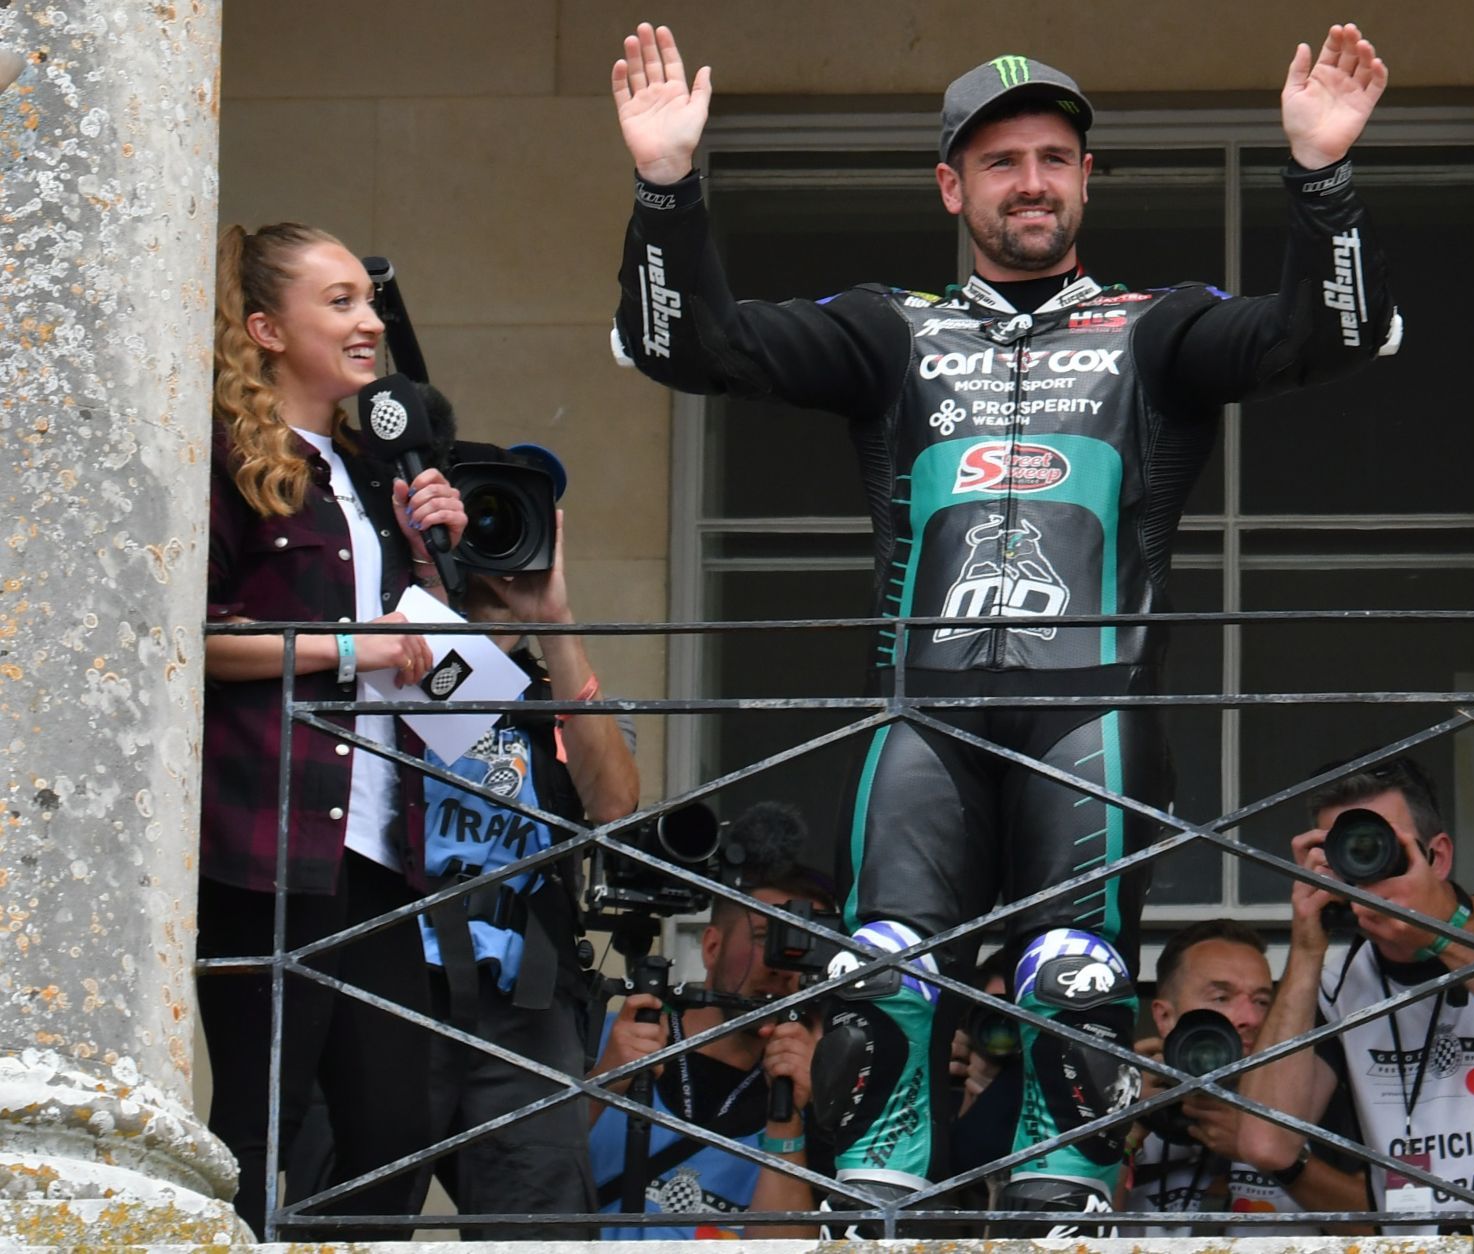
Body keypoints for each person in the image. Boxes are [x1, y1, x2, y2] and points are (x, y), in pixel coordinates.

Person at [607, 21, 1400, 1226]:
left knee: (1076, 984)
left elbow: (1328, 334)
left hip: (1096, 717)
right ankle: (876, 1208)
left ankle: (1064, 1205)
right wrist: (667, 187)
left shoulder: (1159, 324)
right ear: (951, 184)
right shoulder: (890, 329)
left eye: (1053, 159)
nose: (1030, 181)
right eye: (1000, 161)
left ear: (1086, 180)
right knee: (877, 974)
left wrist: (1322, 175)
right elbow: (687, 343)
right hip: (923, 716)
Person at [199, 221, 467, 1237]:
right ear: (266, 329)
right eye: (341, 302)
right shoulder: (226, 459)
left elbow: (422, 646)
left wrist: (433, 563)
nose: (369, 324)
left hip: (379, 844)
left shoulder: (367, 467)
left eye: (369, 301)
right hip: (265, 842)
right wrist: (351, 645)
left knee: (399, 1124)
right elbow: (190, 640)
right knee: (261, 1119)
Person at [418, 435, 641, 1239]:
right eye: (482, 509)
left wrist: (553, 621)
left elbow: (613, 801)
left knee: (541, 1219)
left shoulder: (559, 689)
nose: (501, 532)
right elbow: (417, 708)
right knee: (338, 1196)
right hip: (395, 969)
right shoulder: (396, 644)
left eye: (522, 515)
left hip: (526, 989)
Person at [1233, 757, 1474, 1235]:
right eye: (1347, 853)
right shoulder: (1338, 979)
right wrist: (1305, 949)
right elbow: (1266, 1142)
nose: (1367, 867)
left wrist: (1448, 933)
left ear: (1437, 857)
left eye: (1384, 847)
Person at [588, 805, 831, 1240]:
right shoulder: (610, 1038)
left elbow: (784, 1250)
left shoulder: (811, 1090)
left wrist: (788, 1120)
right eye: (765, 937)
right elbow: (520, 1175)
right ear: (712, 946)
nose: (782, 962)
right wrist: (605, 1080)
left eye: (804, 945)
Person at [1120, 919, 1354, 1236]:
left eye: (1261, 1001)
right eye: (1221, 998)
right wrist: (1128, 1127)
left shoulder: (1311, 1095)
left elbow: (1386, 1229)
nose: (1251, 1019)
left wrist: (1276, 1152)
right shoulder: (1127, 1099)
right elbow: (1067, 1231)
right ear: (1164, 1016)